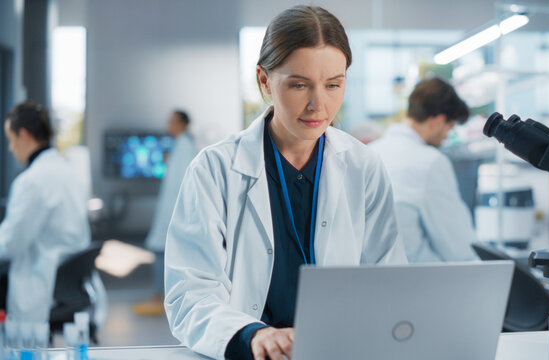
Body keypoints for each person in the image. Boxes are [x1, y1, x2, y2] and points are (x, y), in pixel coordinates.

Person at [164, 6, 406, 360]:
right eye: (298, 84)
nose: (317, 105)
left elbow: (389, 282)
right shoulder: (215, 170)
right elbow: (190, 294)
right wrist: (252, 335)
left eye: (333, 85)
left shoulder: (363, 166)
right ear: (264, 80)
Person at [369, 77, 479, 263]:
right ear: (437, 120)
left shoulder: (371, 152)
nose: (446, 137)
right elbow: (458, 246)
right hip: (417, 280)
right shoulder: (431, 161)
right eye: (449, 127)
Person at [0, 102, 90, 322]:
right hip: (69, 282)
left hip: (42, 283)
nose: (10, 148)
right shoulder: (67, 171)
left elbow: (10, 244)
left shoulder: (31, 181)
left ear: (24, 135)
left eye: (11, 140)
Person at [133, 110, 198, 316]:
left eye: (172, 122)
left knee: (164, 253)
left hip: (174, 212)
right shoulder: (180, 146)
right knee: (162, 252)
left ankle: (160, 297)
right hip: (170, 211)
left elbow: (182, 185)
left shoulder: (186, 147)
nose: (168, 125)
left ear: (183, 124)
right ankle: (159, 295)